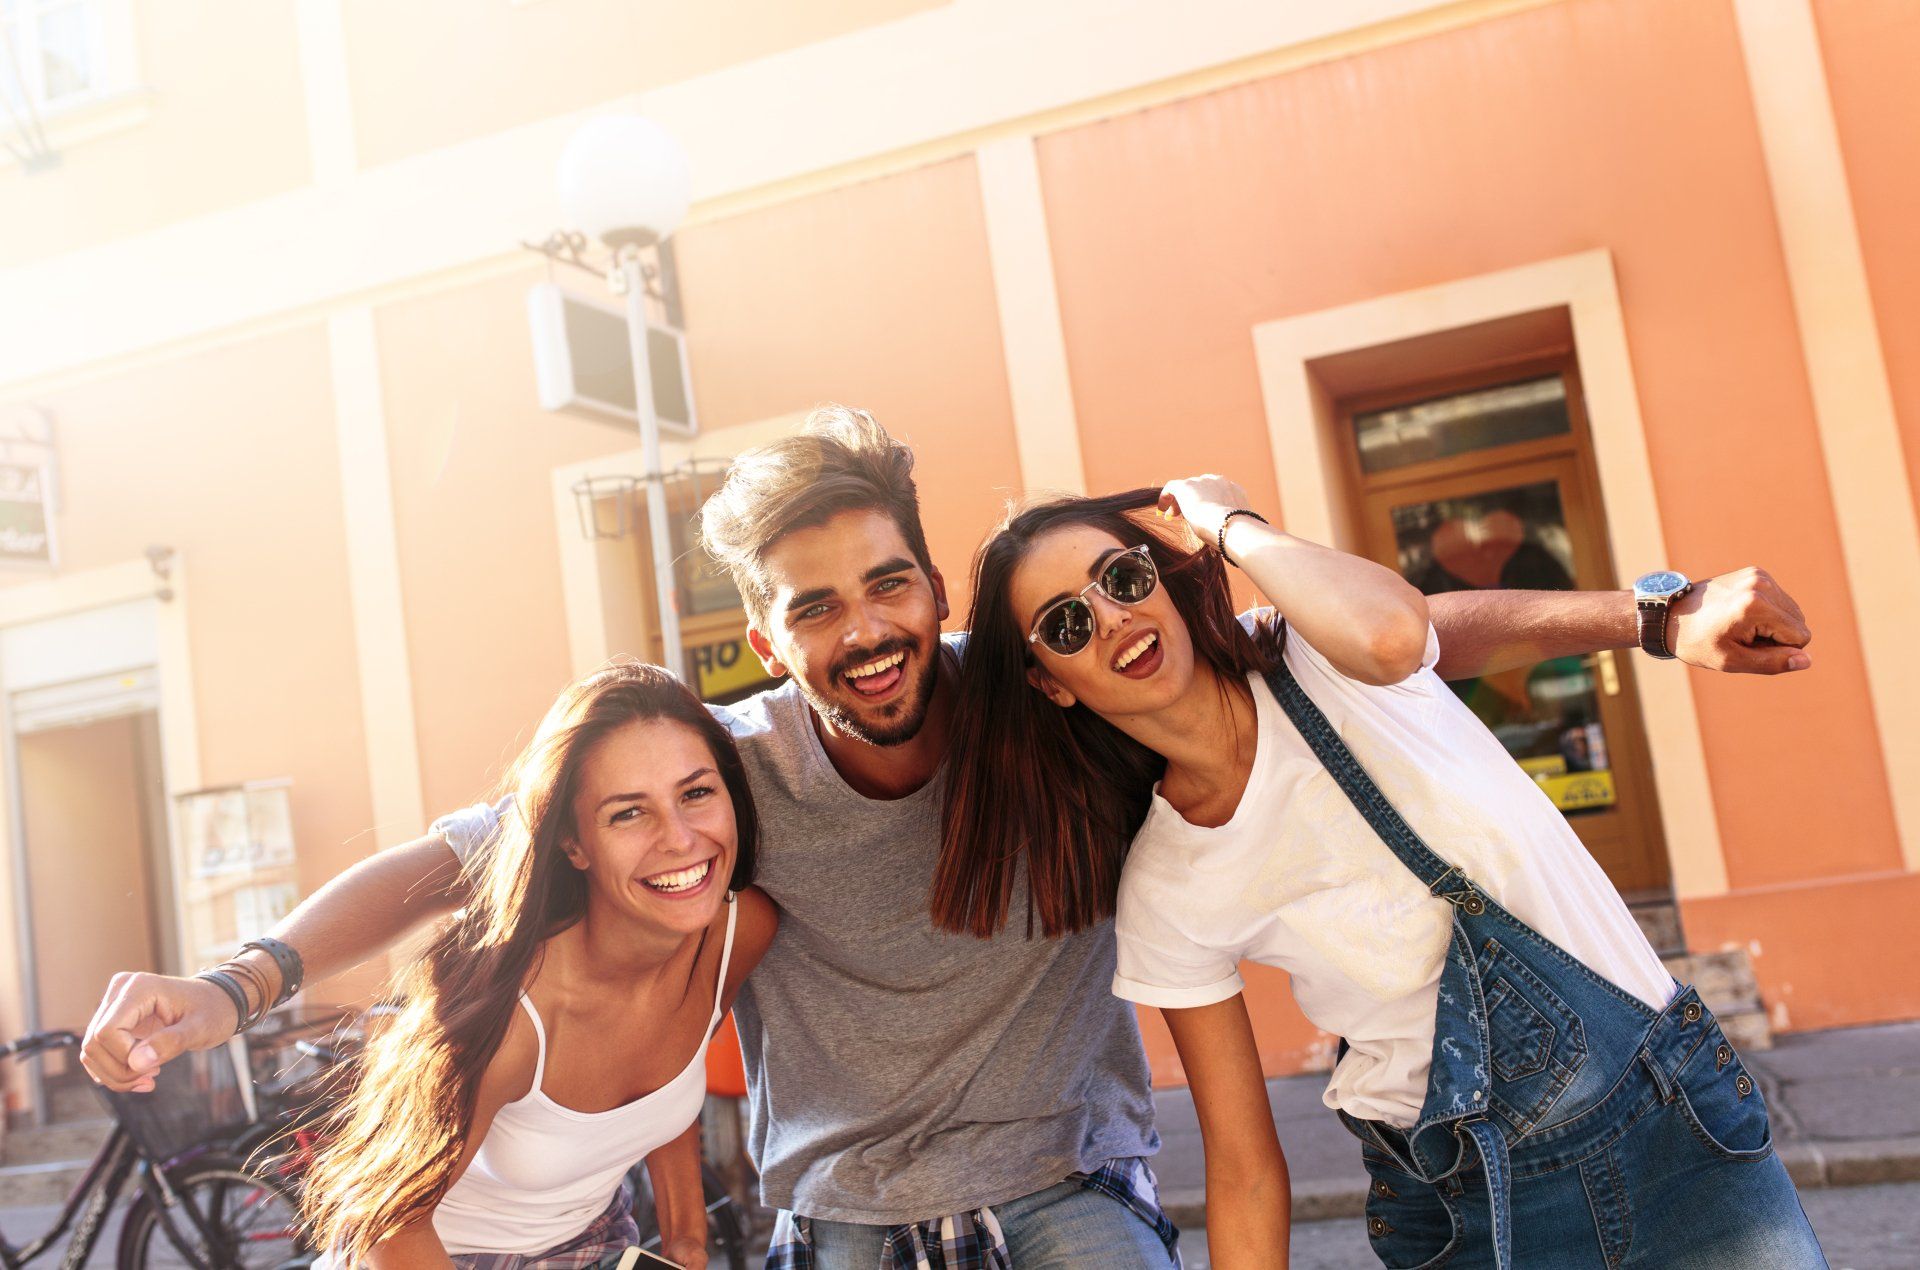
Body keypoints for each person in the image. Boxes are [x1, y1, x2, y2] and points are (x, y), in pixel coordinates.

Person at [82, 411, 1811, 1270]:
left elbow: (1387, 641)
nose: (865, 630)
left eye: (888, 583)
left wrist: (1650, 618)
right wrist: (239, 983)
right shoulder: (728, 775)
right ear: (769, 637)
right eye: (813, 608)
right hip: (840, 1220)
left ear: (934, 578)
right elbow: (471, 852)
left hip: (1064, 1195)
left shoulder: (1052, 683)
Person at [930, 476, 1823, 1269]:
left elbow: (1402, 635)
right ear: (1050, 681)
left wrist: (1229, 520)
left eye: (1122, 578)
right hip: (1468, 1210)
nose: (1116, 617)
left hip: (1671, 1129)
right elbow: (1243, 1167)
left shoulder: (1320, 651)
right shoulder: (1166, 888)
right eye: (1066, 623)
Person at [309, 662, 774, 1268]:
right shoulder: (514, 1016)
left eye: (696, 793)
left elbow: (663, 1092)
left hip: (591, 1242)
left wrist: (686, 1240)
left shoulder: (740, 930)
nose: (681, 839)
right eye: (628, 813)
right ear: (573, 844)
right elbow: (388, 1224)